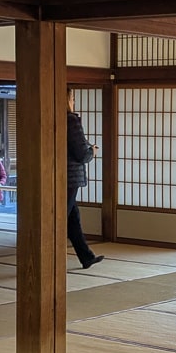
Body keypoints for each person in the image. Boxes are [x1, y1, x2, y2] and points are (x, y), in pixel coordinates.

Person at [67, 89, 104, 269]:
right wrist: (92, 151)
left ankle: (86, 256)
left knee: (72, 217)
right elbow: (81, 154)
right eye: (72, 98)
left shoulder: (52, 117)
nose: (74, 102)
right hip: (70, 177)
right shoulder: (71, 120)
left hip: (58, 174)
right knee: (62, 219)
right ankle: (51, 257)